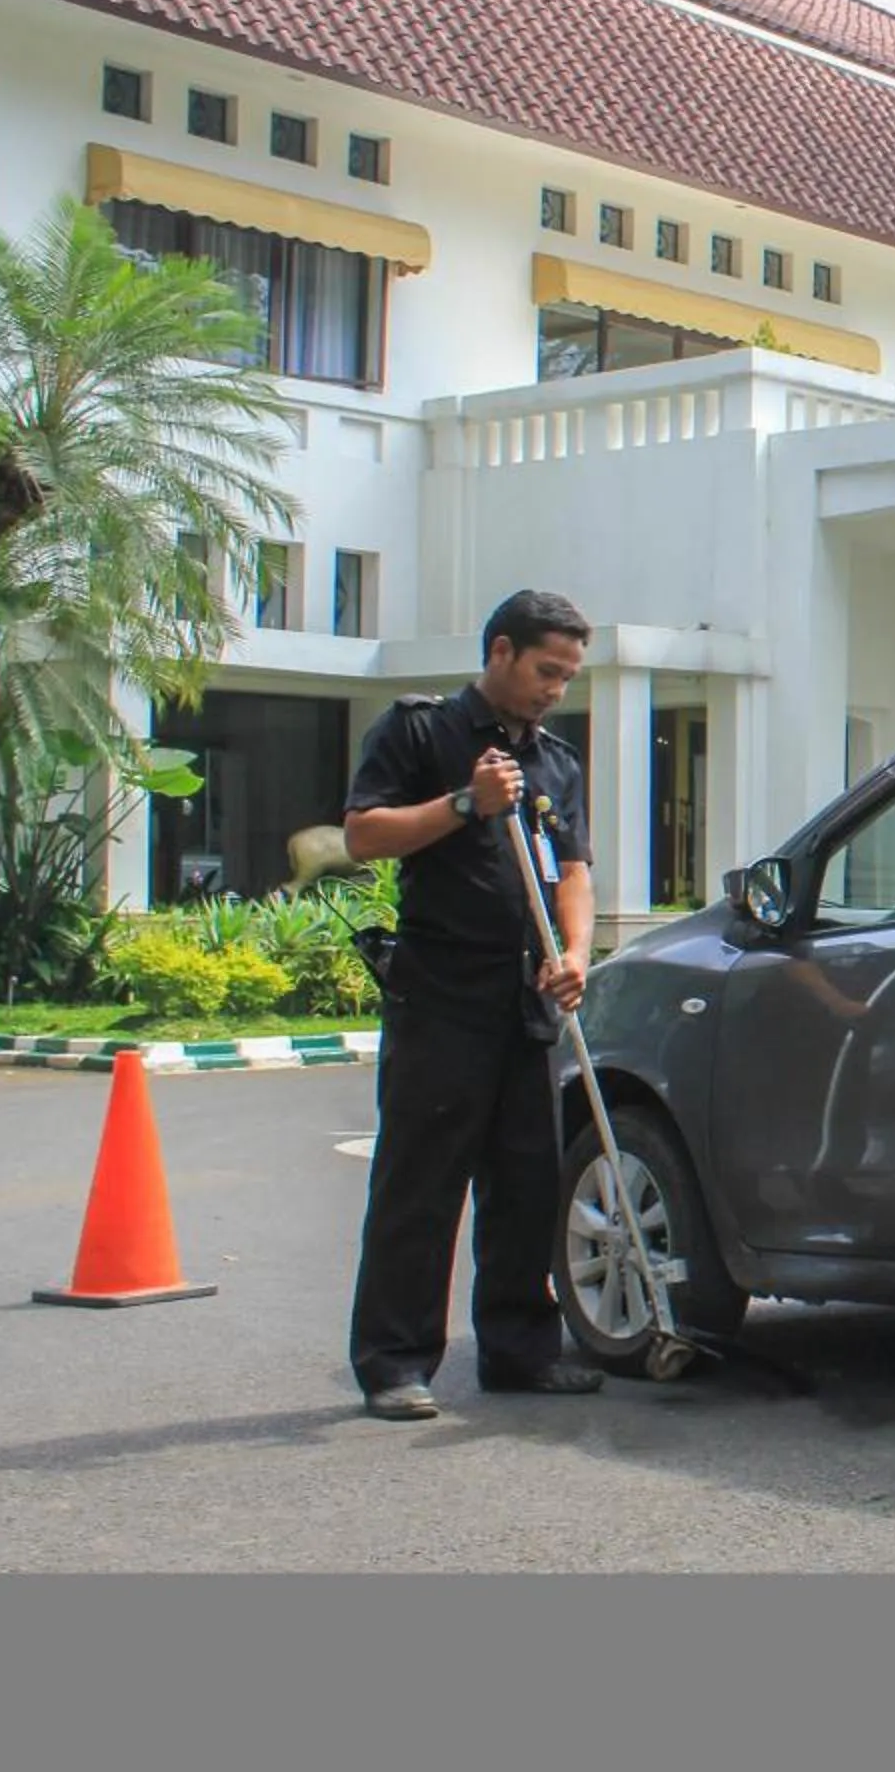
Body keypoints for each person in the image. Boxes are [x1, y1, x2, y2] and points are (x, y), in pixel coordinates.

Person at [341, 590, 602, 1420]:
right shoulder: (422, 731)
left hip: (526, 999)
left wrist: (575, 955)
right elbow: (364, 834)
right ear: (500, 652)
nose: (555, 689)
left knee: (527, 1182)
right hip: (441, 992)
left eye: (567, 676)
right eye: (544, 670)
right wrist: (464, 804)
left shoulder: (556, 761)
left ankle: (521, 1349)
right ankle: (395, 1362)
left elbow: (575, 872)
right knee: (421, 1182)